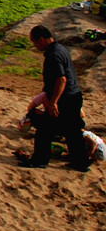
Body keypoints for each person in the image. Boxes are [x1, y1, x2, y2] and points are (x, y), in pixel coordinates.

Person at [18, 25, 90, 171]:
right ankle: (81, 163)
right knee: (73, 132)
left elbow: (61, 79)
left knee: (44, 129)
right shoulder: (60, 49)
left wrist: (53, 102)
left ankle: (40, 160)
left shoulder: (53, 55)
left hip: (65, 99)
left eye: (34, 42)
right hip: (74, 96)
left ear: (41, 39)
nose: (35, 45)